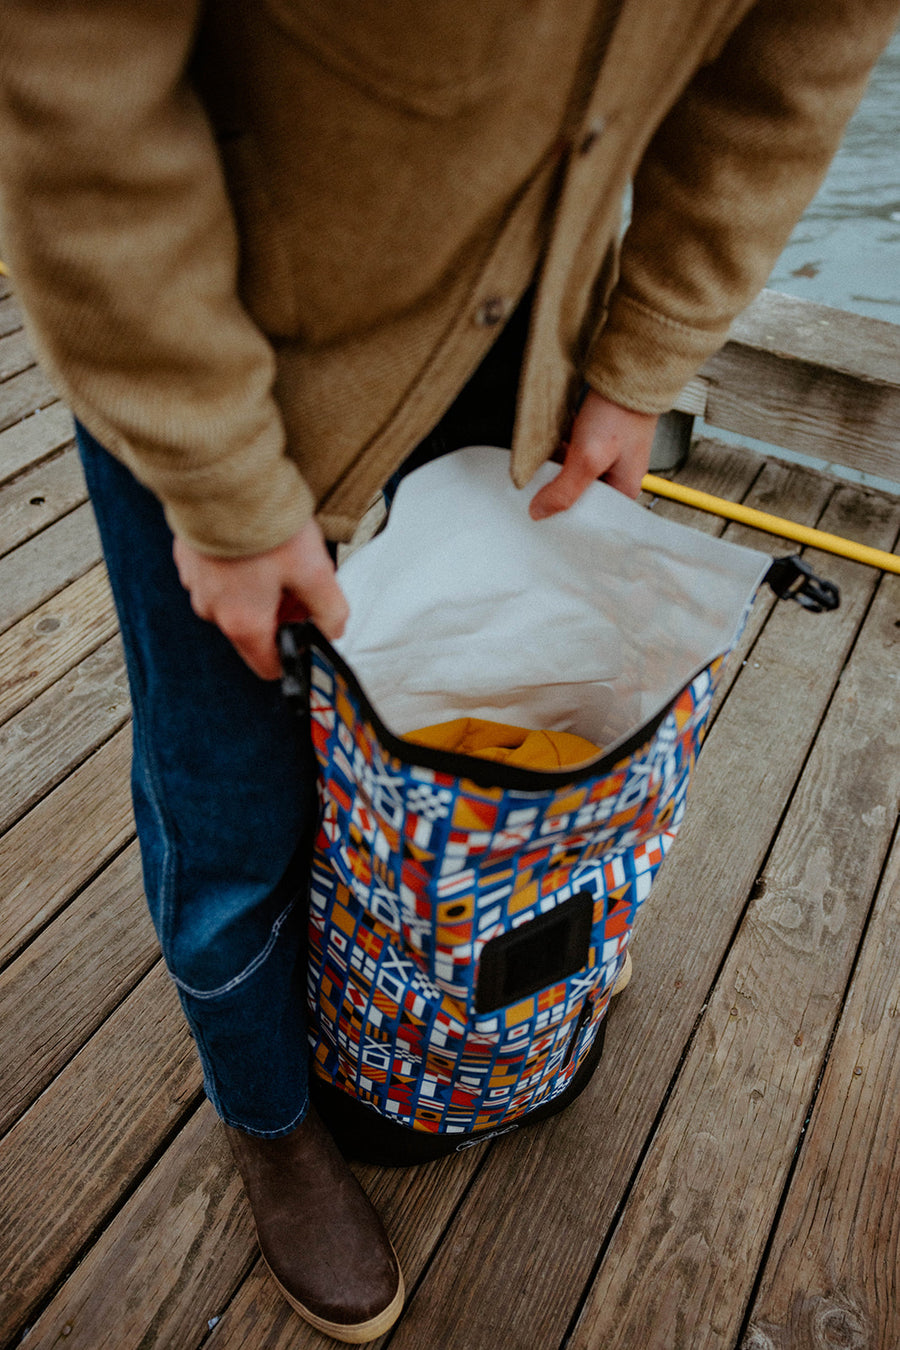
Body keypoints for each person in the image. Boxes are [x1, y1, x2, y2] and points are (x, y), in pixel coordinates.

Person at [1, 1, 897, 1341]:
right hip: (228, 330)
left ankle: (492, 952)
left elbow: (794, 58)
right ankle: (269, 1112)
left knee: (489, 713)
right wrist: (218, 481)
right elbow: (69, 76)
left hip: (533, 330)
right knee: (227, 779)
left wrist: (643, 349)